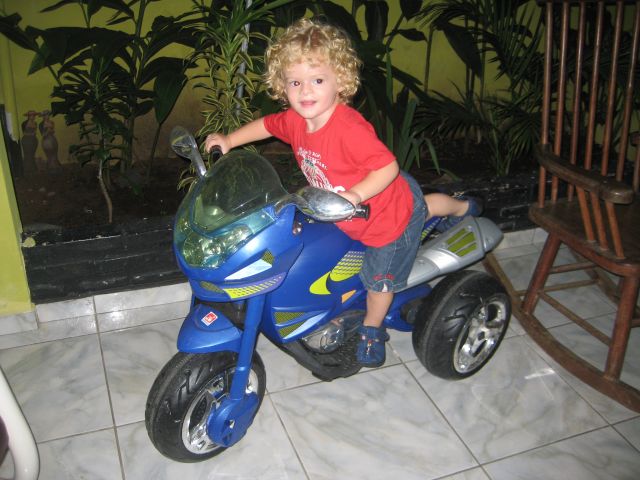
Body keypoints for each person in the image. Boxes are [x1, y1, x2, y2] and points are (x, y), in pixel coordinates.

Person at [205, 17, 481, 367]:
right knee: (422, 206)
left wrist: (355, 195)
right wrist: (230, 139)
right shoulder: (297, 120)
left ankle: (372, 328)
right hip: (356, 207)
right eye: (295, 82)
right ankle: (459, 207)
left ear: (341, 80)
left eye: (318, 80)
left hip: (383, 218)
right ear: (282, 85)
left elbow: (388, 167)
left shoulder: (348, 128)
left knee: (380, 280)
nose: (306, 91)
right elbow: (267, 125)